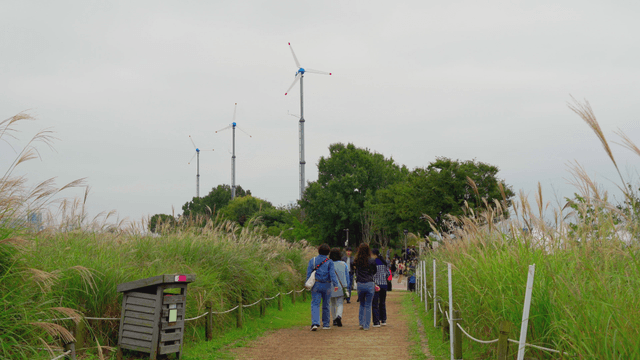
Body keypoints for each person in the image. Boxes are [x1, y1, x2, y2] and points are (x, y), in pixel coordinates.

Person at [306, 244, 339, 331]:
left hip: (316, 284)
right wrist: (336, 285)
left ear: (318, 251)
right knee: (326, 304)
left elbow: (309, 274)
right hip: (327, 285)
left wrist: (307, 284)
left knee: (315, 304)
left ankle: (315, 323)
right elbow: (332, 274)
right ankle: (326, 324)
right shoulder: (330, 262)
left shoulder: (312, 260)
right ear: (328, 252)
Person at [354, 243, 376, 330]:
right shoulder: (371, 260)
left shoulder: (357, 260)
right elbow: (374, 271)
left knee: (362, 304)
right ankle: (367, 325)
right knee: (368, 305)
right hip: (369, 283)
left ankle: (361, 323)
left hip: (360, 283)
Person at [329, 248, 350, 327]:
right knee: (340, 303)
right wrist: (347, 286)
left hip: (331, 286)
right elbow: (347, 276)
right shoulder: (343, 264)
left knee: (332, 303)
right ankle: (339, 316)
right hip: (341, 286)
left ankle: (334, 319)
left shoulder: (329, 263)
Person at [371, 249, 389, 327]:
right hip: (384, 285)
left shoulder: (373, 263)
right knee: (382, 302)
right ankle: (383, 320)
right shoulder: (384, 263)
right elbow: (388, 274)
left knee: (375, 303)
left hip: (376, 285)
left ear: (375, 255)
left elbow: (372, 274)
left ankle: (376, 321)